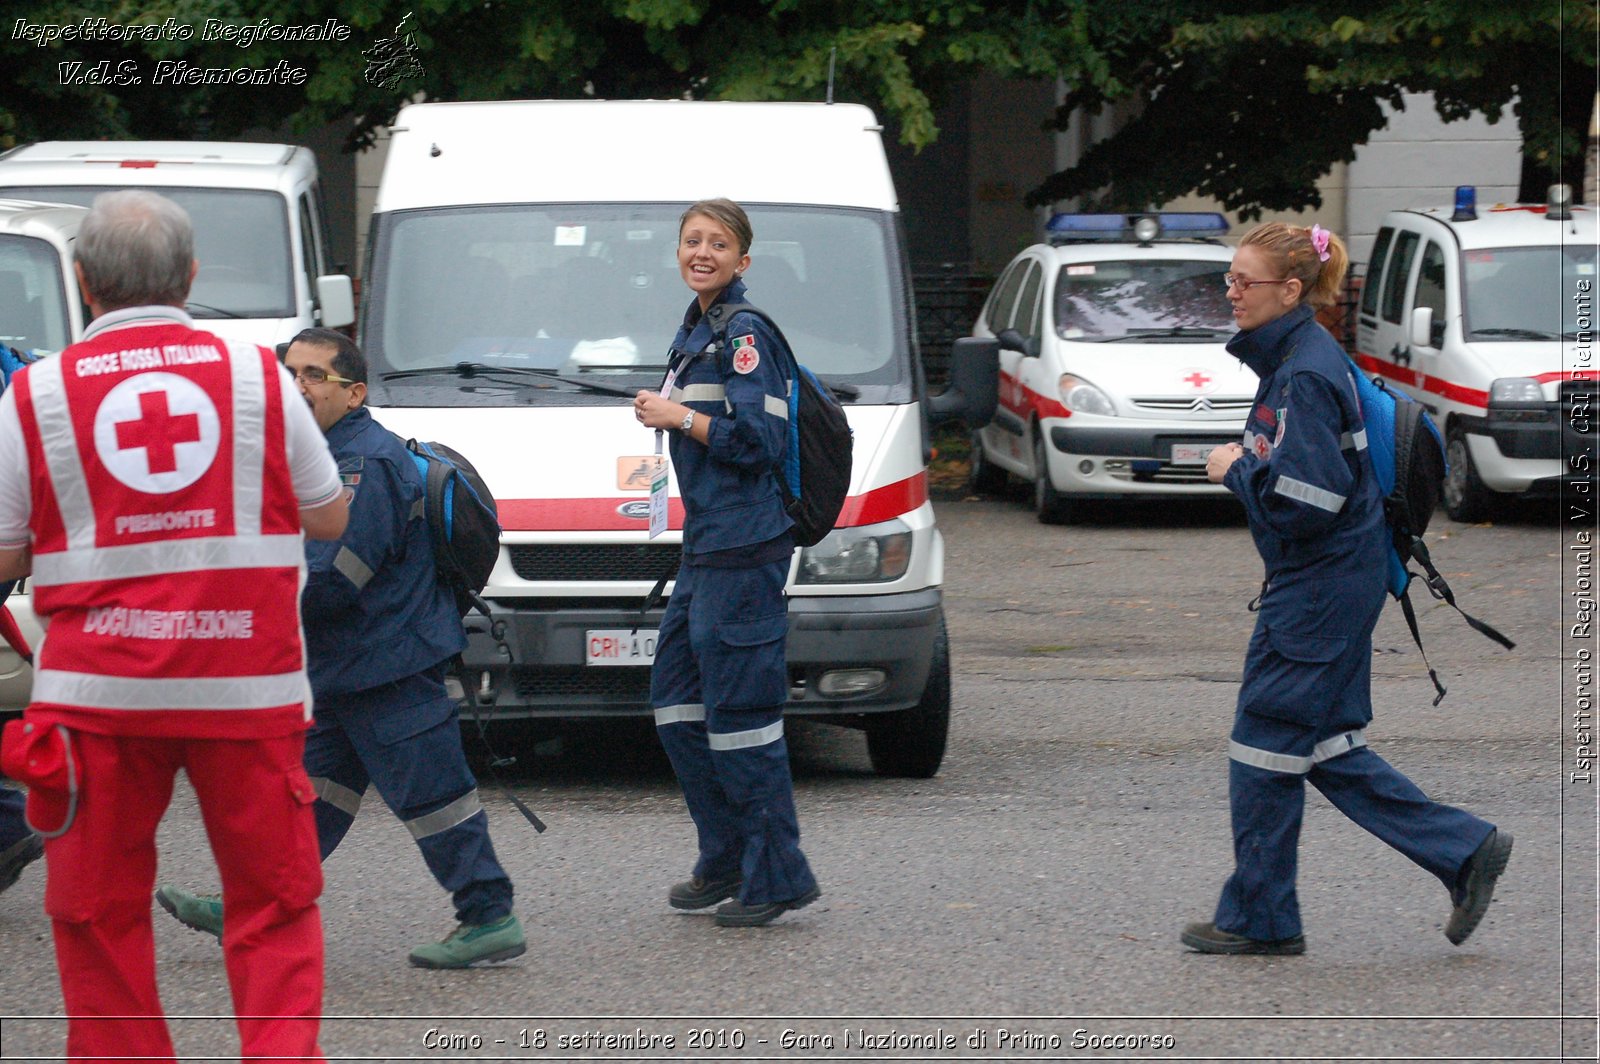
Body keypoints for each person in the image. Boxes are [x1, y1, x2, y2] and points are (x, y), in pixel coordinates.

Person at [0, 189, 348, 1060]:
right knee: (272, 903)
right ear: (191, 277)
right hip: (248, 685)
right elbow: (328, 516)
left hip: (97, 696)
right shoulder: (261, 377)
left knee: (96, 910)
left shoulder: (36, 394)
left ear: (82, 283)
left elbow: (4, 555)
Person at [1182, 222, 1512, 956]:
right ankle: (1465, 850)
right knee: (1323, 745)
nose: (1230, 294)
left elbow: (1307, 502)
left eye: (1244, 282)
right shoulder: (1299, 358)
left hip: (1321, 589)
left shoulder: (1304, 370)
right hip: (1332, 582)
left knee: (1264, 744)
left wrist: (1233, 467)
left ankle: (1260, 918)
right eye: (1228, 281)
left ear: (1291, 291)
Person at [157, 328, 525, 968]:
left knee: (436, 800)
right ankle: (251, 905)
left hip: (389, 667)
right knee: (305, 797)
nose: (297, 385)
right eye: (289, 371)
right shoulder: (314, 455)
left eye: (314, 375)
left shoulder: (364, 464)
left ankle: (490, 918)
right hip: (344, 667)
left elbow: (333, 578)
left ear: (353, 393)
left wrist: (242, 607)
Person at [633, 198, 821, 927]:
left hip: (744, 551)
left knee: (740, 719)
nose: (701, 252)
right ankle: (725, 859)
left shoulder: (743, 334)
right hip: (707, 548)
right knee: (677, 705)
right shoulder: (697, 329)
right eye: (691, 240)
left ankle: (778, 875)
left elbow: (759, 444)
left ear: (743, 261)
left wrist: (678, 417)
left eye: (718, 243)